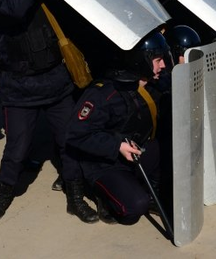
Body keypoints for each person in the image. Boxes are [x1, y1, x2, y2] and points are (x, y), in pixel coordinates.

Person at [0, 0, 97, 223]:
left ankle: (75, 197)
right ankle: (5, 191)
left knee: (69, 141)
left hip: (55, 81)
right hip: (19, 87)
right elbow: (12, 9)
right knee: (17, 147)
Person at [65, 30, 171, 225]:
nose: (163, 65)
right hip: (105, 163)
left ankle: (149, 192)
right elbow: (76, 134)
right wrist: (117, 145)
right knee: (134, 208)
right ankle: (103, 196)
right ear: (141, 61)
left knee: (170, 152)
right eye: (158, 60)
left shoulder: (152, 83)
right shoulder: (104, 93)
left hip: (135, 152)